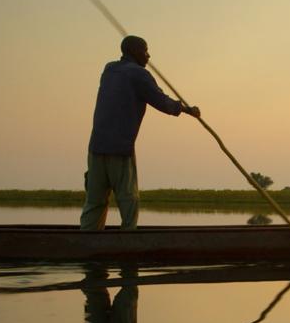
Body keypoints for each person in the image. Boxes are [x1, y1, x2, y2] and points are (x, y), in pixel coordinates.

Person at [80, 36, 200, 231]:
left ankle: (87, 239)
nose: (148, 55)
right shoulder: (139, 75)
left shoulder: (109, 69)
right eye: (145, 51)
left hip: (96, 147)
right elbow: (163, 102)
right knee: (129, 199)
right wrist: (188, 110)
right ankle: (128, 240)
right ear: (135, 52)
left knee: (95, 201)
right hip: (120, 148)